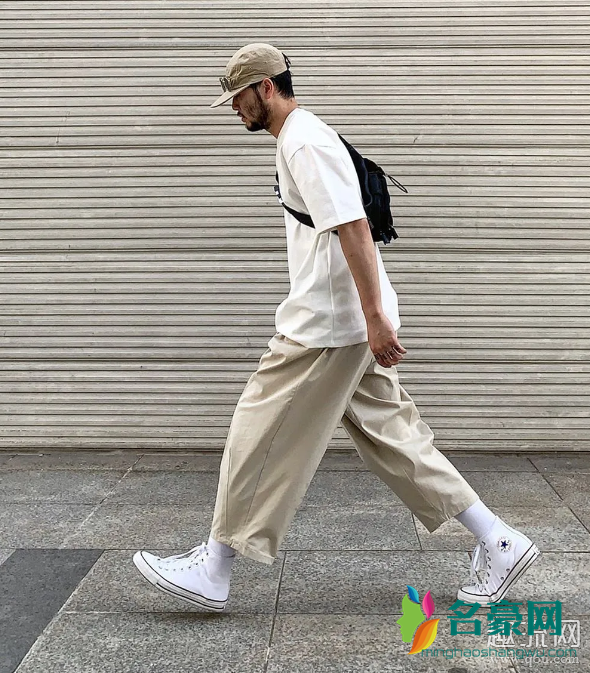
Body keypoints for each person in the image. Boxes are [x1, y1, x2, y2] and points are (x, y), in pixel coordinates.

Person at [132, 43, 539, 613]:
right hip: (344, 322)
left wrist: (374, 320)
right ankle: (499, 540)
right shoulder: (299, 137)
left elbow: (355, 228)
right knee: (396, 440)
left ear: (266, 87)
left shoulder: (303, 140)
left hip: (326, 326)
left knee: (256, 428)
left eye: (239, 97)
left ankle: (215, 568)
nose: (234, 109)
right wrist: (371, 319)